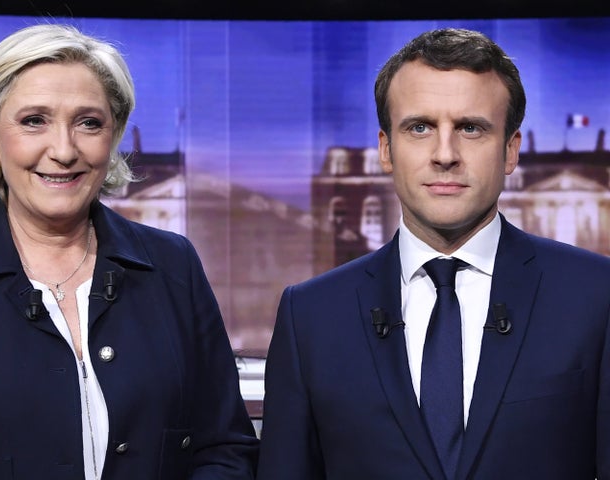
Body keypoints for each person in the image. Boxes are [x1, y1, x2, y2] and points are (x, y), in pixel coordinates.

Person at [0, 23, 258, 479]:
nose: (63, 150)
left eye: (89, 123)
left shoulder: (172, 263)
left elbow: (224, 447)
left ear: (115, 134)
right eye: (33, 121)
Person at [257, 27, 610, 479]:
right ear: (387, 149)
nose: (445, 154)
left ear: (510, 150)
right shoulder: (310, 316)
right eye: (419, 127)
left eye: (471, 128)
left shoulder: (595, 297)